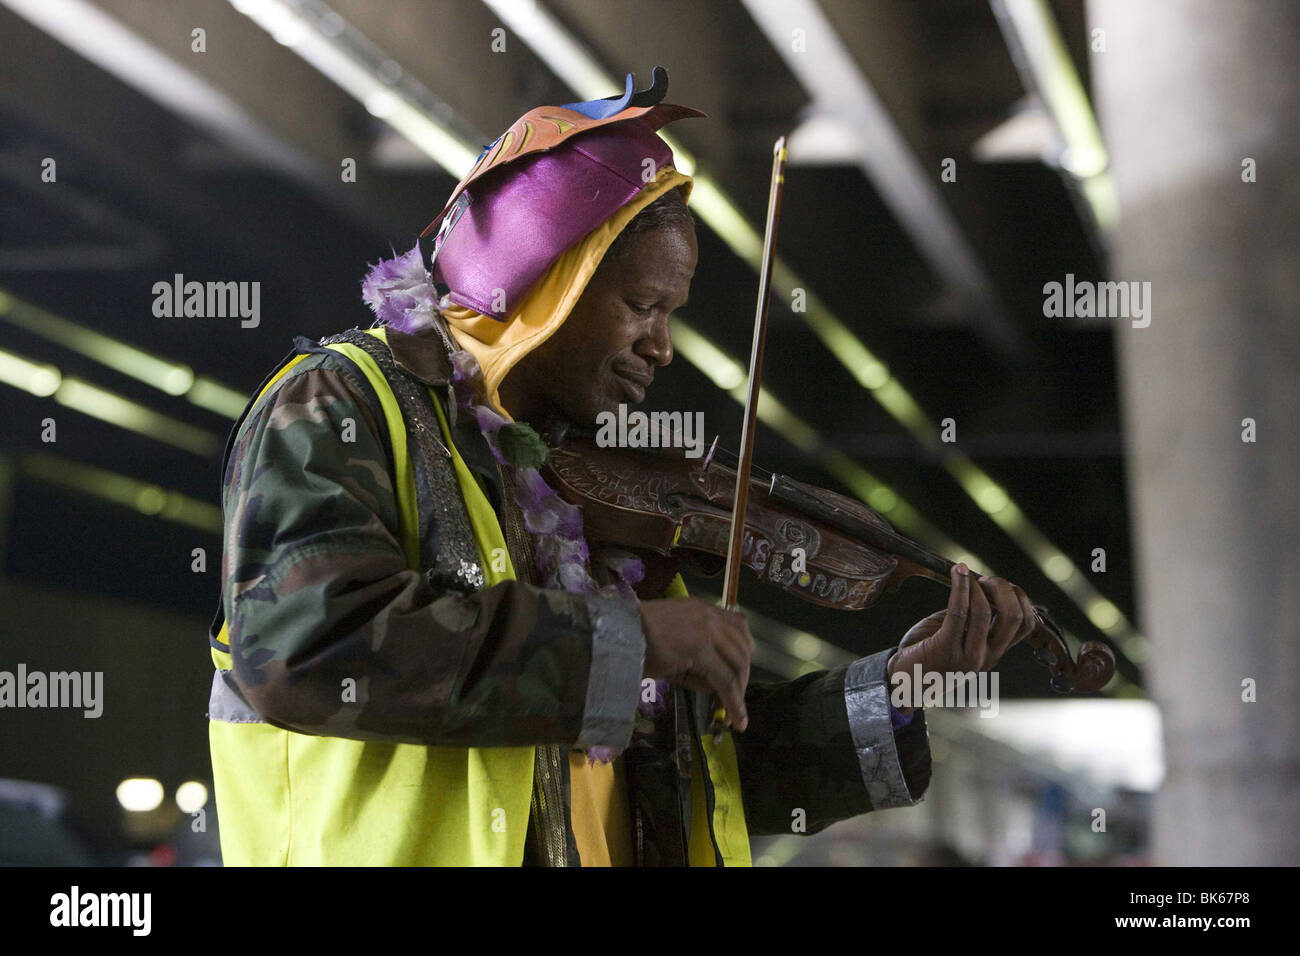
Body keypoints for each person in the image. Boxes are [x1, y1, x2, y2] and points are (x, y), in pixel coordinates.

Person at [206, 69, 1039, 866]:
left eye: (669, 315)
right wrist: (628, 642)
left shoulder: (591, 498)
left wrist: (895, 689)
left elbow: (687, 780)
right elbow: (302, 649)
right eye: (642, 306)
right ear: (545, 280)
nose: (661, 346)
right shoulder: (339, 405)